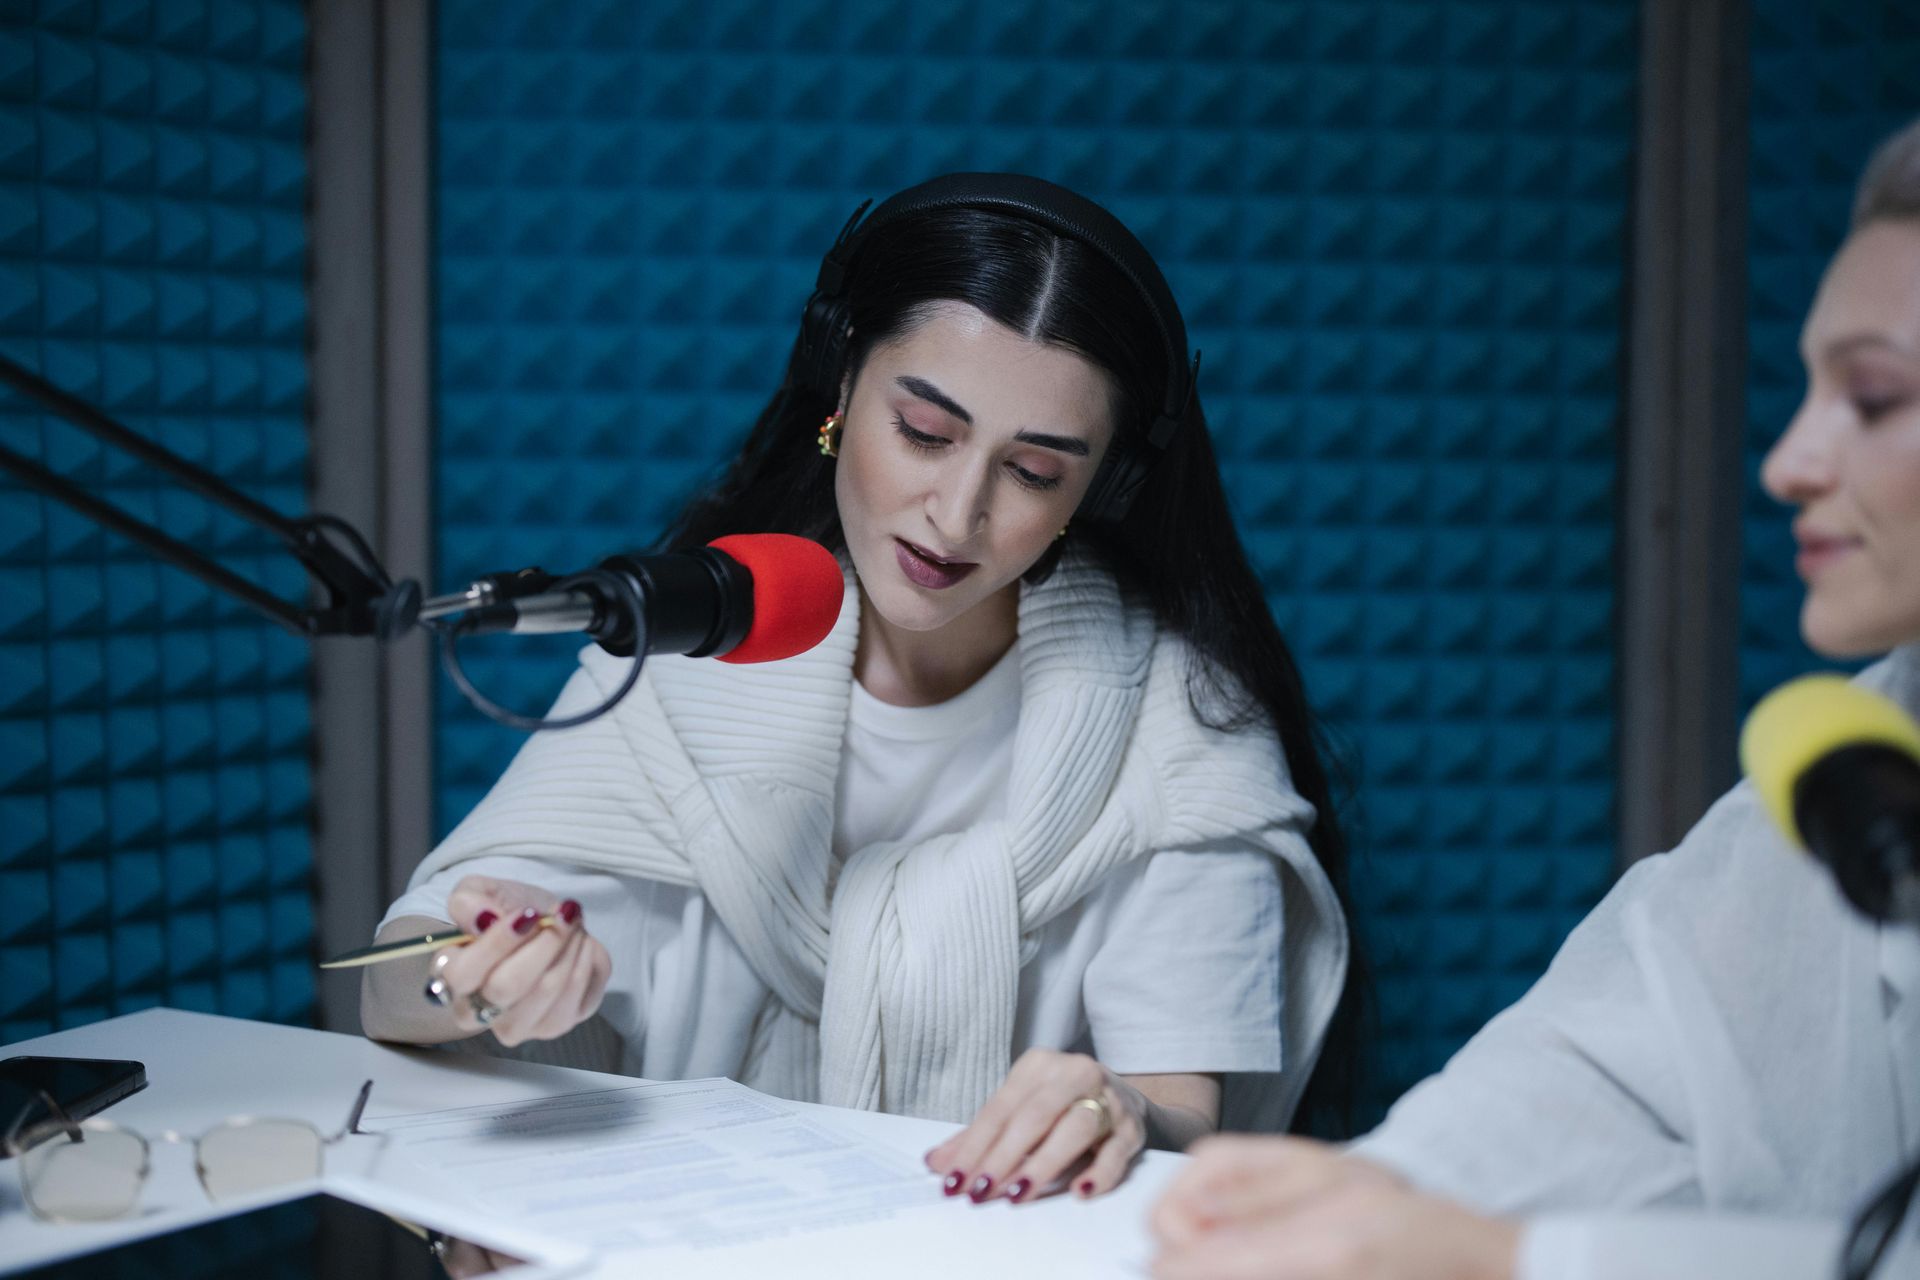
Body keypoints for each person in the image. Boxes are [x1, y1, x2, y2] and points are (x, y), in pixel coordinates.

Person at [360, 174, 1361, 1203]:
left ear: (1101, 488)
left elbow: (1188, 1121)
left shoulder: (1178, 732)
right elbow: (394, 985)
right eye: (926, 431)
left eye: (1034, 471)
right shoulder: (677, 669)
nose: (956, 512)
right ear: (841, 387)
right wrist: (472, 976)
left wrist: (1121, 1113)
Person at [1149, 120, 1920, 1278]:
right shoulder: (1865, 742)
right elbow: (1622, 1056)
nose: (1787, 463)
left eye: (1869, 396)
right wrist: (1384, 1185)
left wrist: (1510, 1256)